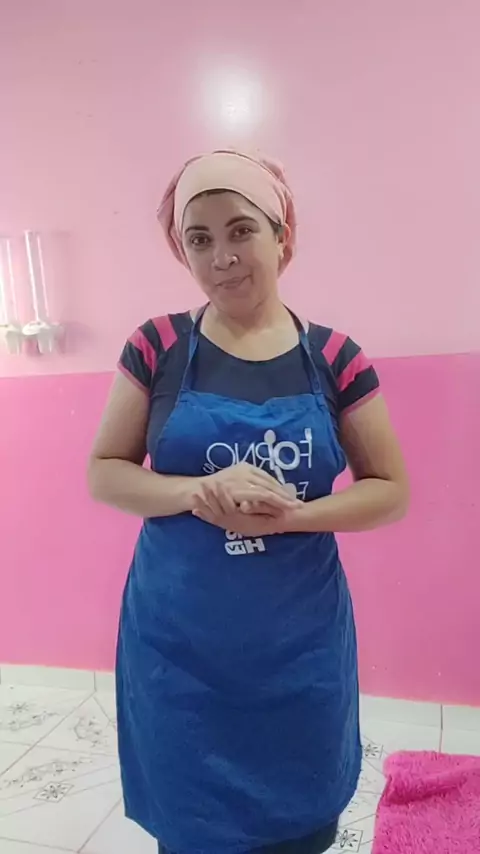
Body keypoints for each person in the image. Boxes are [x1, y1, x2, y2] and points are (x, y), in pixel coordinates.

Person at [88, 150, 409, 854]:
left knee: (303, 825)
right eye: (199, 239)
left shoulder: (335, 357)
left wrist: (294, 516)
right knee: (192, 828)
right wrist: (196, 491)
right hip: (179, 649)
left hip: (298, 645)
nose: (222, 257)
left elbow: (390, 490)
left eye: (241, 231)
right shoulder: (158, 346)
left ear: (281, 235)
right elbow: (105, 472)